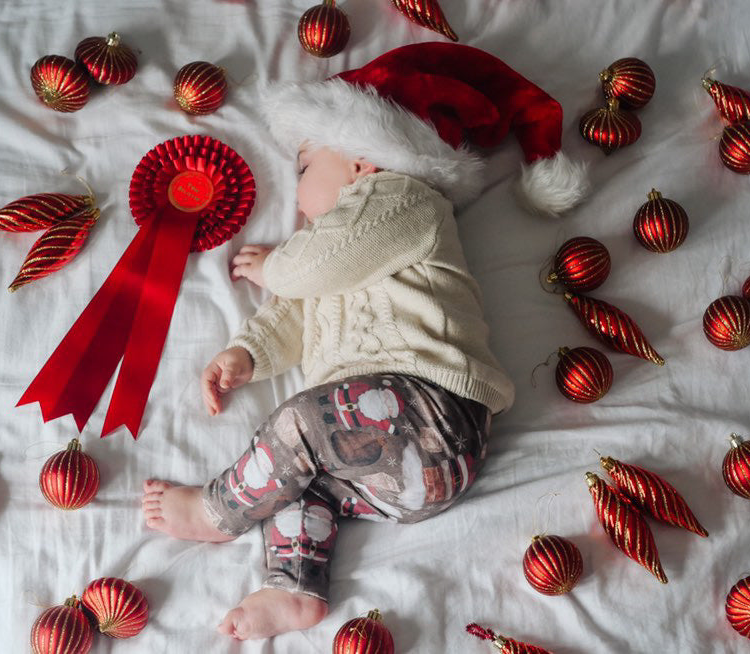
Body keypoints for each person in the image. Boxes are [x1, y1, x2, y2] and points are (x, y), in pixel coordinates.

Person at [141, 42, 585, 641]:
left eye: (303, 168)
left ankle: (219, 510)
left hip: (432, 414)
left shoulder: (405, 202)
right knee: (301, 480)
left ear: (362, 161)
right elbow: (296, 309)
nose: (297, 196)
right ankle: (295, 586)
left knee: (301, 423)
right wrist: (247, 353)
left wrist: (274, 266)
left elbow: (313, 267)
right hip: (381, 469)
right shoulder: (327, 251)